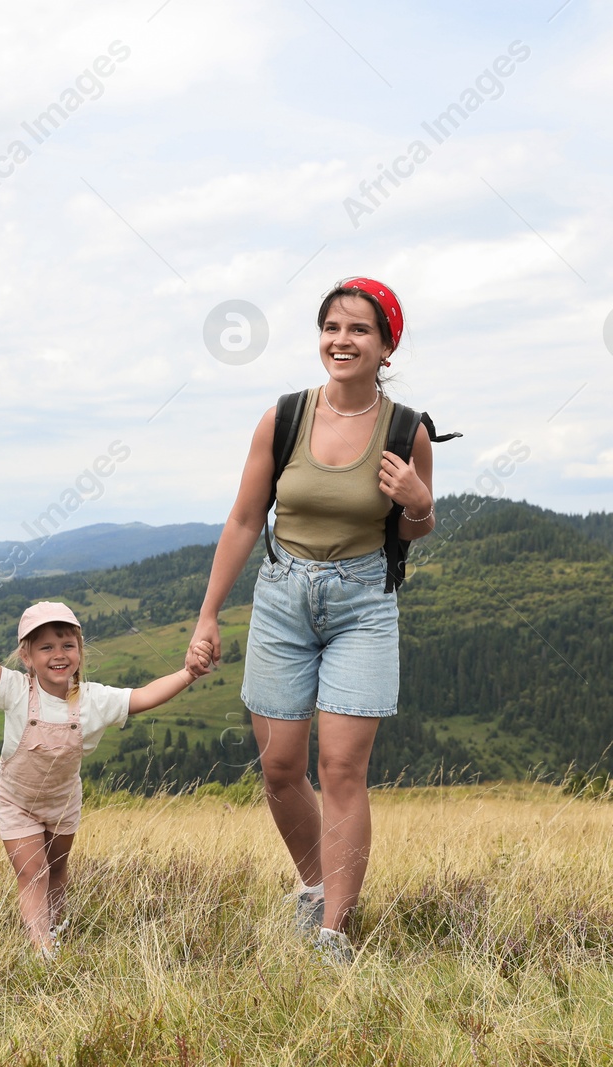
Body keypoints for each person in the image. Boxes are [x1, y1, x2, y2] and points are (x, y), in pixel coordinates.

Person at [185, 277, 435, 966]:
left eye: (359, 329)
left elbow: (417, 525)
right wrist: (208, 616)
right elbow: (243, 520)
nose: (342, 340)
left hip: (363, 601)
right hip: (282, 596)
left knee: (342, 768)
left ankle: (333, 933)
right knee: (281, 767)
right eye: (332, 326)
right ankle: (315, 884)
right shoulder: (284, 418)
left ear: (387, 345)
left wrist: (417, 500)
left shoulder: (408, 428)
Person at [0, 583, 215, 958]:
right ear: (26, 657)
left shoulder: (93, 699)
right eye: (46, 647)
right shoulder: (15, 689)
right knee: (34, 873)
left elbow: (143, 695)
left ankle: (56, 929)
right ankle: (43, 951)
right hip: (16, 800)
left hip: (63, 802)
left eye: (67, 645)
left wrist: (188, 673)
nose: (58, 655)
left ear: (79, 651)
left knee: (58, 870)